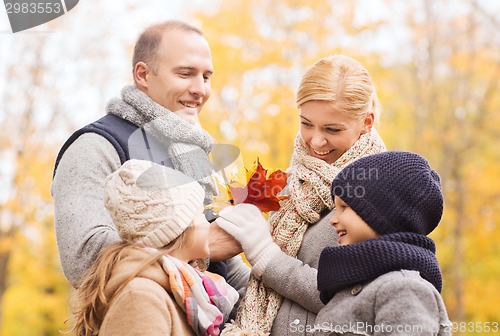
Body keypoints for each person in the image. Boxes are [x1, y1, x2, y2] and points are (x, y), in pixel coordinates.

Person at [51, 20, 249, 294]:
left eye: (206, 77)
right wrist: (198, 247)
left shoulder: (192, 154)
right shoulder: (96, 146)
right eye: (185, 74)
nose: (201, 90)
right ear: (143, 75)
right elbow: (84, 259)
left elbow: (226, 269)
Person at [216, 55, 387, 335]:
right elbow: (270, 295)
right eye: (307, 124)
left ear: (366, 122)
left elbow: (352, 297)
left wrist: (265, 255)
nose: (316, 141)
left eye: (332, 129)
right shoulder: (294, 183)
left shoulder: (382, 189)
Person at [70, 159, 239, 335]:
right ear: (177, 230)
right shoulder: (141, 298)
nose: (207, 223)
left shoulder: (183, 293)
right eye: (199, 215)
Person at [314, 151, 451, 335]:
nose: (333, 220)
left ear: (385, 214)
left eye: (344, 207)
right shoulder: (357, 283)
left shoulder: (403, 288)